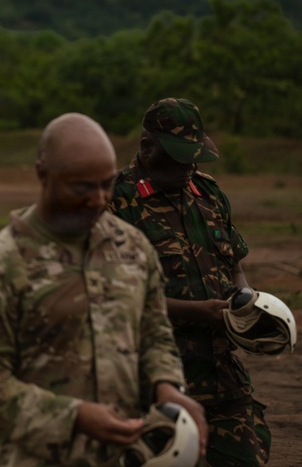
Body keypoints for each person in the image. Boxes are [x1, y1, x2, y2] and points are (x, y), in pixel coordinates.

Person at [0, 112, 207, 466]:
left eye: (105, 185)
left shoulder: (131, 248)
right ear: (43, 174)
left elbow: (155, 332)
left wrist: (167, 385)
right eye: (81, 187)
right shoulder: (2, 264)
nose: (98, 199)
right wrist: (73, 416)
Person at [109, 97, 271, 466]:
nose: (190, 166)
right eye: (179, 157)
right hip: (150, 379)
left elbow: (234, 265)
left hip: (220, 375)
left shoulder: (209, 194)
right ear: (147, 148)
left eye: (195, 156)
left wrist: (245, 302)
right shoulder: (116, 202)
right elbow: (114, 298)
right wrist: (200, 312)